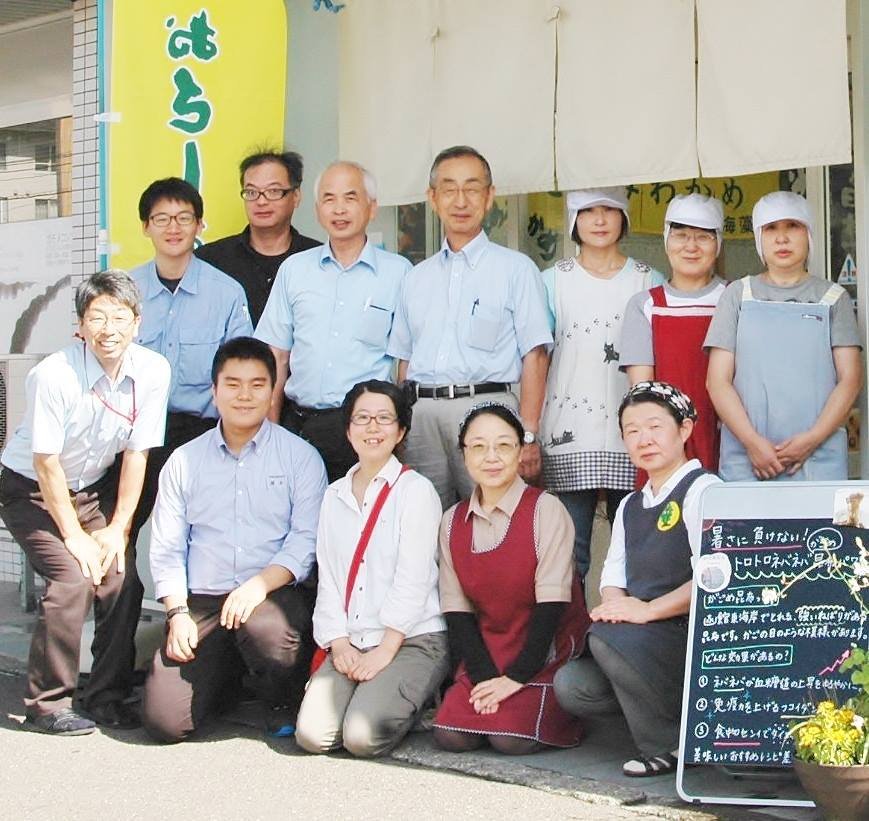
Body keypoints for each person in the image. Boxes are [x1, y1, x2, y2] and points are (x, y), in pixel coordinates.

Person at [0, 271, 170, 735]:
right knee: (73, 579)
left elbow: (138, 455)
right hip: (30, 489)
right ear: (80, 325)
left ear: (138, 322)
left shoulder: (153, 371)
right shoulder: (53, 375)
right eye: (97, 317)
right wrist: (74, 537)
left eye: (119, 317)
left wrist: (117, 529)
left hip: (92, 491)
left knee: (119, 576)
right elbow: (45, 462)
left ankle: (105, 695)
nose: (108, 329)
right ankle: (47, 703)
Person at [142, 337, 327, 743]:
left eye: (257, 384)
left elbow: (305, 540)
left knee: (271, 634)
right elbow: (168, 547)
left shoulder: (299, 457)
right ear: (214, 390)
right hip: (202, 603)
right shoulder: (184, 461)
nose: (245, 395)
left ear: (273, 389)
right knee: (163, 723)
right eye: (233, 384)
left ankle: (280, 698)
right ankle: (223, 681)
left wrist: (258, 585)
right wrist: (176, 614)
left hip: (269, 595)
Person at [553, 381, 720, 777]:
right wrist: (617, 609)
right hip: (641, 632)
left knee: (611, 641)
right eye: (632, 430)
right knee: (572, 684)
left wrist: (646, 611)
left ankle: (665, 745)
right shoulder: (630, 503)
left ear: (684, 430)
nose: (644, 439)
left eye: (655, 426)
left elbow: (711, 577)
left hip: (685, 630)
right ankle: (663, 722)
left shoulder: (704, 490)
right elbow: (613, 573)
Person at [389, 146, 552, 509]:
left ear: (490, 196)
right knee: (423, 524)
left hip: (489, 408)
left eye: (472, 188)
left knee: (495, 519)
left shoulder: (516, 270)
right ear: (433, 198)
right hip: (423, 416)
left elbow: (535, 355)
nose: (460, 200)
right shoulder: (415, 278)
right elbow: (404, 361)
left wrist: (527, 433)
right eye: (448, 189)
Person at [295, 380, 449, 757]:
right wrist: (339, 642)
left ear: (401, 431)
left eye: (384, 419)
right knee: (313, 736)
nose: (372, 428)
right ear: (347, 429)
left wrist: (385, 650)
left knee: (362, 737)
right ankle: (374, 695)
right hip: (353, 638)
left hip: (411, 638)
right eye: (362, 418)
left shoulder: (415, 491)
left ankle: (417, 701)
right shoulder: (334, 496)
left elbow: (415, 579)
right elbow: (329, 578)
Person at [432, 403, 590, 754]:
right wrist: (486, 676)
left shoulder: (545, 509)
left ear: (521, 451)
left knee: (509, 740)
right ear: (464, 454)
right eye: (478, 446)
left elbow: (553, 607)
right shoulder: (452, 521)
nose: (491, 457)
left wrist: (515, 678)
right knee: (451, 734)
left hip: (544, 651)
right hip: (488, 650)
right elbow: (457, 612)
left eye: (503, 445)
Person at [255, 161, 410, 482]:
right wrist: (267, 428)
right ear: (316, 209)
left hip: (365, 430)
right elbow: (276, 356)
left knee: (360, 521)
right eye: (329, 198)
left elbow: (405, 362)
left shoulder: (399, 273)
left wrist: (398, 428)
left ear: (372, 207)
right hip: (298, 423)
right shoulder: (294, 270)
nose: (339, 209)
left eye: (350, 198)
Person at [539, 188, 664, 579]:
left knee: (635, 548)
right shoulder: (551, 281)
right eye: (588, 211)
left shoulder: (647, 279)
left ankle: (628, 635)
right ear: (574, 220)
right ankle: (572, 639)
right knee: (569, 551)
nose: (599, 220)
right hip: (566, 430)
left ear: (624, 218)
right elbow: (537, 358)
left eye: (609, 211)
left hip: (634, 434)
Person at [705, 191, 862, 481]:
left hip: (818, 460)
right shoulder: (738, 295)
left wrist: (812, 439)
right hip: (748, 460)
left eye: (793, 226)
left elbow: (850, 379)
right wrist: (752, 442)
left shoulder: (833, 298)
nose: (782, 238)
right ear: (758, 238)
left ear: (810, 234)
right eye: (771, 229)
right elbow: (717, 381)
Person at [129, 177, 252, 538]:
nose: (173, 228)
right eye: (161, 218)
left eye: (184, 218)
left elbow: (239, 372)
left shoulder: (226, 293)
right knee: (122, 533)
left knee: (204, 534)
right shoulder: (125, 291)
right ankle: (123, 597)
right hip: (134, 433)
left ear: (199, 226)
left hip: (200, 434)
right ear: (146, 227)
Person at [621, 193, 727, 475]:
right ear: (666, 240)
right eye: (680, 235)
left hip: (728, 442)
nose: (691, 246)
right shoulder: (645, 306)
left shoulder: (735, 299)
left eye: (703, 237)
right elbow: (642, 394)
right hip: (664, 446)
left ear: (718, 244)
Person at [196, 149, 321, 325]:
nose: (261, 201)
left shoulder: (319, 259)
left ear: (296, 196)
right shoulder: (210, 260)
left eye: (273, 191)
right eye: (252, 192)